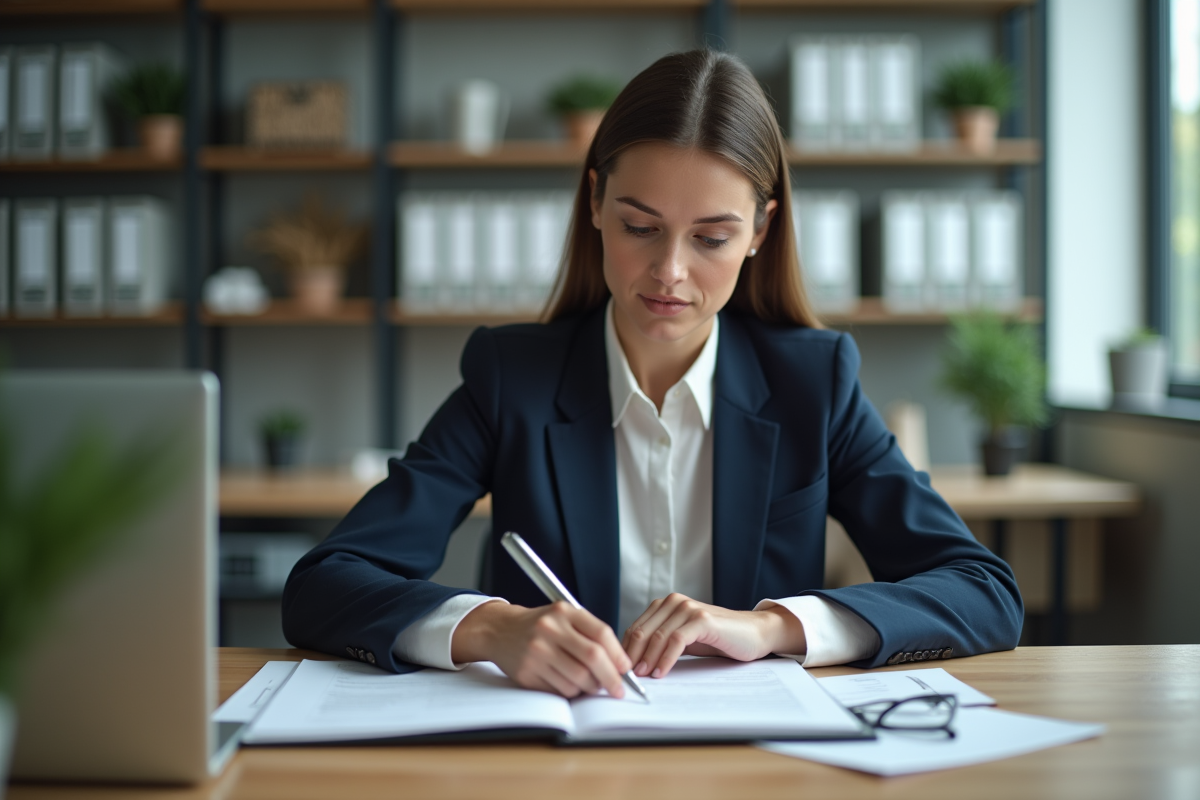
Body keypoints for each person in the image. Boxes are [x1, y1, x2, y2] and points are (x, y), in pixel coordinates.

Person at [283, 49, 1023, 701]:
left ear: (761, 231)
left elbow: (983, 592)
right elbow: (325, 584)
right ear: (596, 201)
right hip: (551, 767)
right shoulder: (512, 377)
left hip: (759, 765)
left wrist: (773, 626)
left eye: (712, 237)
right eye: (641, 226)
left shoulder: (814, 382)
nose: (669, 272)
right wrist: (491, 628)